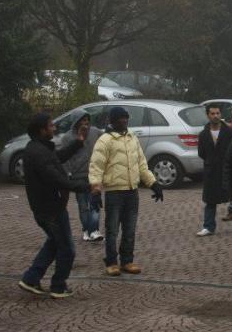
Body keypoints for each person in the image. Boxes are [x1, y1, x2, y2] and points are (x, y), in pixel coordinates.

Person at [19, 113, 89, 299]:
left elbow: (57, 159)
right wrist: (86, 187)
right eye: (51, 126)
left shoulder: (39, 149)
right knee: (66, 248)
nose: (54, 128)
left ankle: (31, 278)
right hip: (50, 209)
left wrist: (78, 142)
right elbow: (56, 179)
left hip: (49, 207)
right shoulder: (38, 153)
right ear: (42, 130)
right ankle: (58, 286)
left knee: (53, 243)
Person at [89, 106, 164, 277]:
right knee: (112, 230)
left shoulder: (133, 139)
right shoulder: (105, 140)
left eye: (126, 118)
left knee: (130, 229)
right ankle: (111, 262)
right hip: (114, 192)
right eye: (120, 118)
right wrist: (95, 189)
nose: (124, 121)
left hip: (132, 191)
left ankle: (127, 260)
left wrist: (153, 183)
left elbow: (142, 164)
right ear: (112, 121)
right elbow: (96, 166)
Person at [61, 109, 103, 242]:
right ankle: (86, 229)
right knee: (83, 204)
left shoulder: (95, 132)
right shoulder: (67, 137)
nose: (86, 123)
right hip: (78, 175)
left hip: (94, 174)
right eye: (83, 120)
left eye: (87, 120)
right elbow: (65, 157)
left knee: (95, 203)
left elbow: (106, 141)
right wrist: (67, 172)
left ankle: (94, 230)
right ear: (76, 122)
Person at [196, 103, 232, 236]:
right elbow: (201, 153)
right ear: (208, 115)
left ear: (221, 114)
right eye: (212, 114)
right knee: (210, 200)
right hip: (211, 171)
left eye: (218, 113)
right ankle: (208, 226)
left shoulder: (230, 132)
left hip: (227, 170)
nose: (215, 116)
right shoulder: (203, 134)